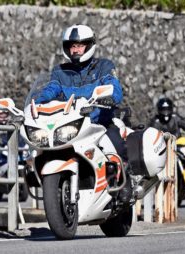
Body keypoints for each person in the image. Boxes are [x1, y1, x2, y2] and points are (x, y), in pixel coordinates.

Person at [35, 24, 131, 202]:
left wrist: (110, 96)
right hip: (72, 124)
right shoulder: (59, 71)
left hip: (99, 123)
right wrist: (38, 102)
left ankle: (125, 183)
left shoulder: (103, 66)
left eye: (80, 45)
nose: (76, 50)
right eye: (72, 46)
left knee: (115, 141)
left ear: (89, 45)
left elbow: (114, 86)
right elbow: (51, 88)